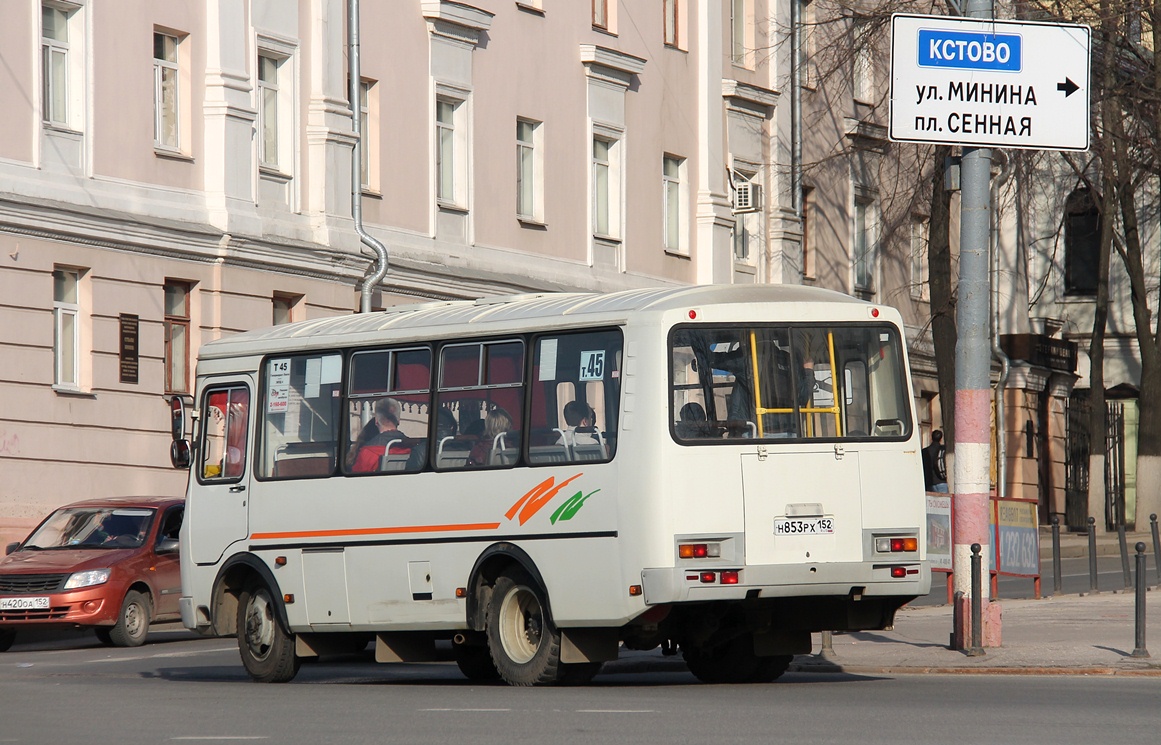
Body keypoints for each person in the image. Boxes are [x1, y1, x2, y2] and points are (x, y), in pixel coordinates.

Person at [350, 397, 405, 473]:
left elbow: (357, 480)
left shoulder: (368, 452)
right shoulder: (414, 446)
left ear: (376, 421)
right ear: (398, 420)